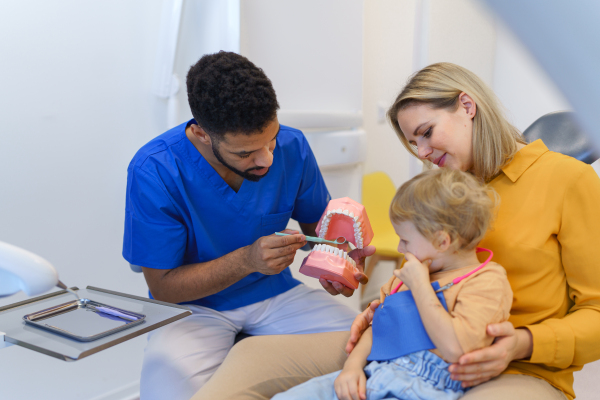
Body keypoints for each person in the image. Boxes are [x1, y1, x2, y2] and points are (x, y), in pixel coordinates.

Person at [191, 62, 600, 400]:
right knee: (252, 362)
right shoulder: (440, 188)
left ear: (467, 106)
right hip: (406, 343)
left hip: (512, 367)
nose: (423, 154)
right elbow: (417, 272)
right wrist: (380, 308)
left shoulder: (567, 180)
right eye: (412, 144)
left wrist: (524, 342)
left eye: (426, 133)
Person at [122, 51, 372, 400]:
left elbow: (321, 233)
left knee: (377, 346)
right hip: (194, 309)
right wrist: (247, 260)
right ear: (201, 134)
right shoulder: (156, 170)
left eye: (270, 140)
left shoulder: (292, 145)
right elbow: (163, 287)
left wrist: (341, 258)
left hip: (276, 295)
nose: (267, 159)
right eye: (246, 153)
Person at [272, 168, 512, 400]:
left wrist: (420, 286)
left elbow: (457, 350)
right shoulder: (406, 276)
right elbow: (378, 326)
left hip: (424, 386)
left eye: (405, 240)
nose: (400, 249)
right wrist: (352, 368)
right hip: (375, 370)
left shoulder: (486, 281)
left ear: (442, 241)